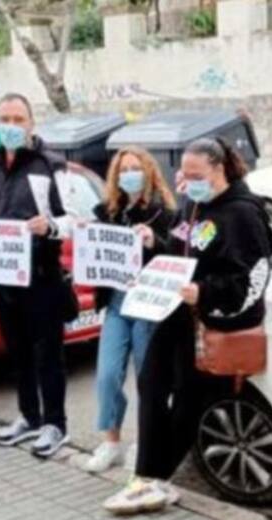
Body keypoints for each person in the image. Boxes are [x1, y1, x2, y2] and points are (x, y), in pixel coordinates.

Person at [104, 137, 271, 515]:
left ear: (220, 169)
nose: (188, 181)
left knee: (188, 401)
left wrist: (206, 292)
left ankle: (156, 478)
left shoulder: (243, 214)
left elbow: (253, 278)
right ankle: (147, 475)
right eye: (184, 173)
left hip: (213, 324)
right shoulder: (191, 205)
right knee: (150, 382)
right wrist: (153, 246)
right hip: (177, 314)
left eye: (197, 174)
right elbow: (178, 254)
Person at [0, 93, 78, 458]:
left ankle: (56, 425)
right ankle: (28, 417)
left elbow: (72, 220)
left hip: (42, 278)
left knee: (47, 354)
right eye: (4, 118)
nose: (11, 126)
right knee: (17, 353)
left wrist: (48, 226)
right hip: (3, 278)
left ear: (31, 123)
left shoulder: (51, 165)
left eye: (18, 119)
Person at [78, 146, 177, 473]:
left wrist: (153, 241)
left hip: (148, 306)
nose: (129, 175)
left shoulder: (164, 213)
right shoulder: (107, 211)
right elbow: (93, 252)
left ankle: (144, 442)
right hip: (117, 305)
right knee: (107, 375)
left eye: (135, 168)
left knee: (147, 379)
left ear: (148, 172)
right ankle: (111, 442)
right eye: (123, 170)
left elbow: (176, 256)